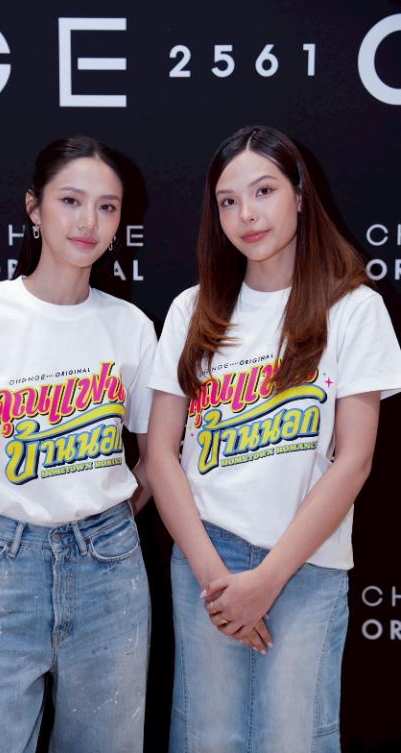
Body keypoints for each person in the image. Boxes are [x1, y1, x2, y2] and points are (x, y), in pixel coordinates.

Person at [147, 125, 401, 753]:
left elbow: (354, 460)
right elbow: (160, 454)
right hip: (206, 559)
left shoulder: (353, 309)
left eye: (263, 191)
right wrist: (215, 577)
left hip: (306, 561)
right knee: (206, 739)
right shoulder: (191, 310)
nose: (247, 214)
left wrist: (268, 579)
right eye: (228, 201)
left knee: (294, 740)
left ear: (300, 196)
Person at [0, 136, 156, 753]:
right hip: (1, 564)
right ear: (34, 207)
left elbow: (157, 456)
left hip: (110, 573)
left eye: (107, 207)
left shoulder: (131, 327)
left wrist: (110, 526)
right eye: (70, 200)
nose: (88, 222)